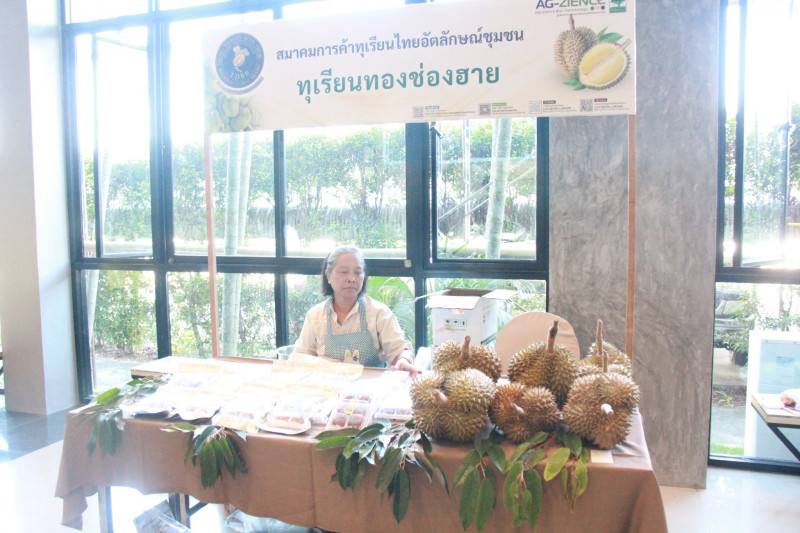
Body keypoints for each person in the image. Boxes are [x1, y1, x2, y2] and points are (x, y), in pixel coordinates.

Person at [295, 245, 419, 378]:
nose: (351, 279)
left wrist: (403, 360)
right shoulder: (315, 316)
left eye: (358, 272)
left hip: (371, 388)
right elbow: (299, 359)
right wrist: (320, 362)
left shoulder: (379, 313)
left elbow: (401, 349)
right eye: (343, 272)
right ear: (328, 276)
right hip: (327, 388)